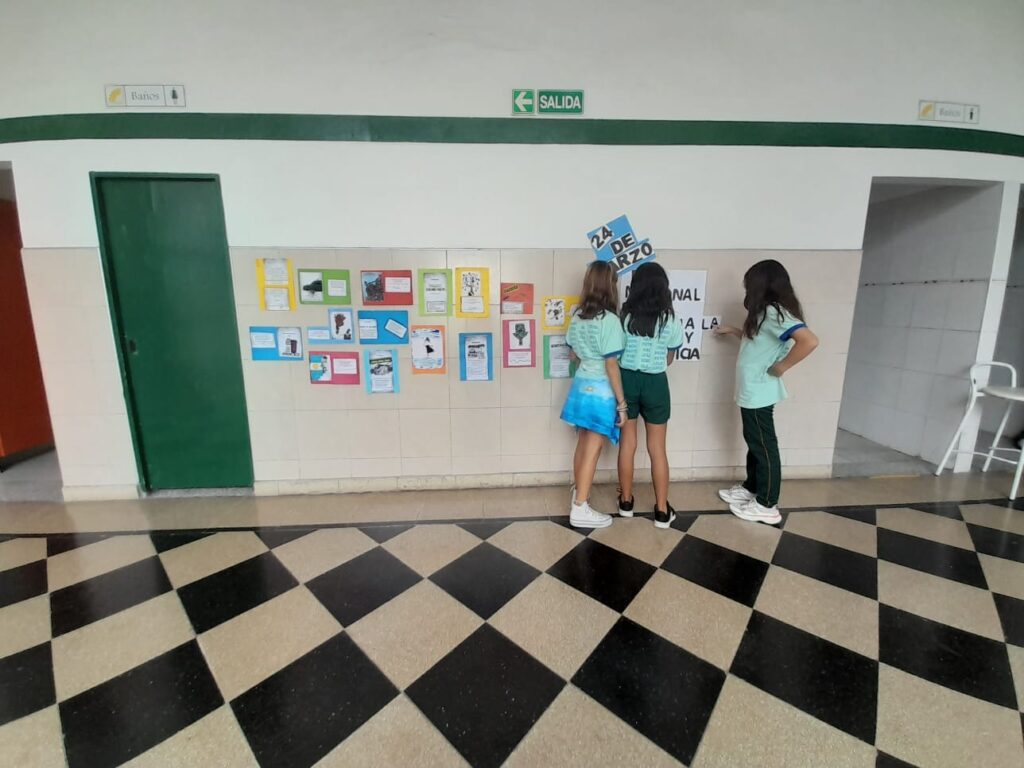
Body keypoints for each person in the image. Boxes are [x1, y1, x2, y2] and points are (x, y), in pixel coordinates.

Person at [714, 259, 818, 524]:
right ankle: (752, 487)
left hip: (760, 391)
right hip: (751, 390)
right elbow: (759, 343)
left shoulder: (774, 312)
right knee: (755, 441)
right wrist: (734, 331)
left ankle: (767, 504)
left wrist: (782, 366)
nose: (747, 289)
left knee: (763, 445)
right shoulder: (764, 313)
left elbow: (809, 341)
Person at [616, 263, 683, 529]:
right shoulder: (670, 320)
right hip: (656, 382)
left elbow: (617, 352)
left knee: (627, 444)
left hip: (626, 381)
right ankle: (662, 511)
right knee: (657, 448)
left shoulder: (624, 316)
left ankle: (626, 503)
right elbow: (670, 358)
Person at [563, 261, 627, 528]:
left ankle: (579, 495)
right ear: (610, 286)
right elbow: (611, 365)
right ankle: (581, 507)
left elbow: (573, 354)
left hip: (580, 387)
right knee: (594, 446)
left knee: (583, 444)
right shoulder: (610, 321)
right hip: (601, 391)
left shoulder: (577, 316)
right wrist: (622, 404)